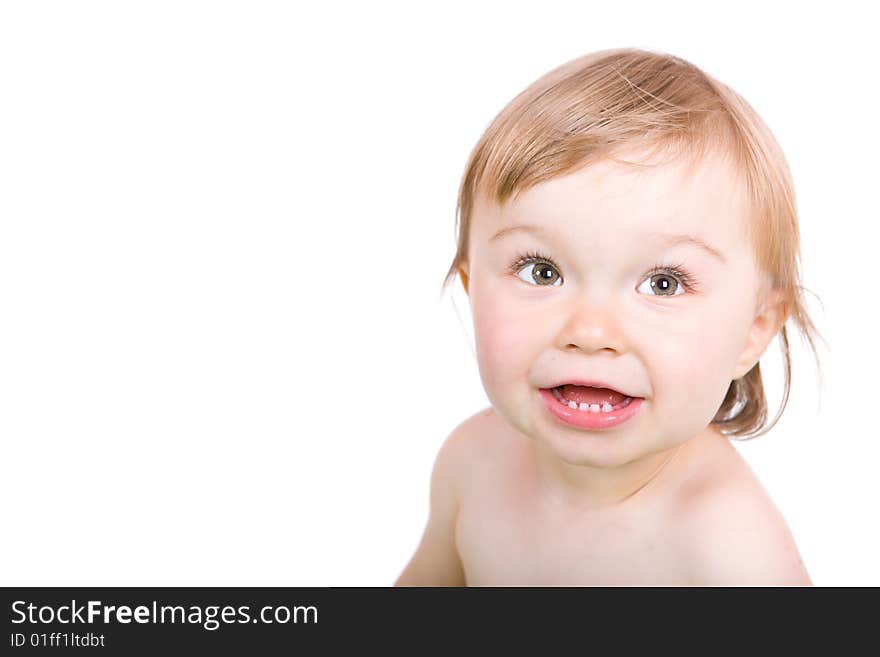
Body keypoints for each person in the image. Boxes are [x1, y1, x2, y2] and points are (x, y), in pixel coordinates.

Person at [395, 47, 825, 586]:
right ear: (470, 285)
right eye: (542, 271)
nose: (591, 333)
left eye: (663, 284)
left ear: (755, 328)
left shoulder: (728, 548)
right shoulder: (472, 463)